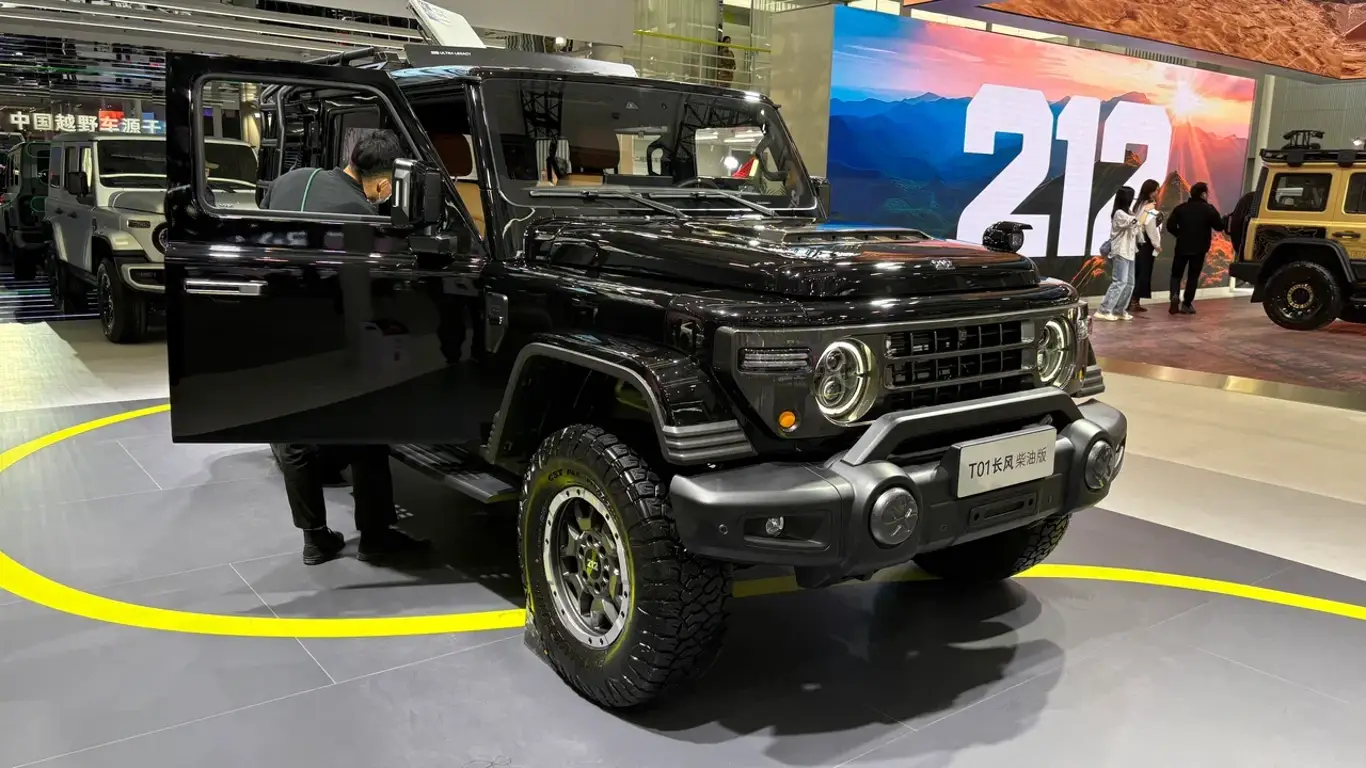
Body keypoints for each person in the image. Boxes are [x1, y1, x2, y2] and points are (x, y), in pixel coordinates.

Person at [262, 129, 431, 566]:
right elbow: (364, 287)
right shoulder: (360, 214)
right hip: (328, 332)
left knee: (293, 436)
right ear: (383, 183)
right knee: (366, 428)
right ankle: (375, 536)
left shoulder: (289, 180)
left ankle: (315, 539)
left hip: (276, 324)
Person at [1164, 181, 1224, 315]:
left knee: (1176, 274)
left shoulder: (1181, 208)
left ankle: (1174, 296)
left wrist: (1179, 234)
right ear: (1203, 194)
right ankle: (1187, 304)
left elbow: (1170, 225)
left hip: (1182, 246)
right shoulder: (1209, 209)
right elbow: (1219, 226)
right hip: (1199, 248)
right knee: (1193, 276)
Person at [1095, 186, 1141, 322]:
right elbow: (1133, 222)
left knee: (1130, 283)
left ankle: (1119, 310)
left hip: (1130, 251)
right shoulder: (1119, 213)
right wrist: (1144, 212)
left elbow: (1136, 227)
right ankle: (1104, 310)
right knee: (1119, 282)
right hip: (1120, 251)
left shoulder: (1129, 212)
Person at [1128, 179, 1162, 314]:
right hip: (1145, 243)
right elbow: (1151, 227)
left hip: (1136, 242)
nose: (1158, 193)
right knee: (1143, 272)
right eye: (1156, 190)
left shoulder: (1138, 205)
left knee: (1135, 272)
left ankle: (1129, 300)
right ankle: (1135, 301)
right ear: (1151, 191)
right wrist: (1156, 244)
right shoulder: (1150, 207)